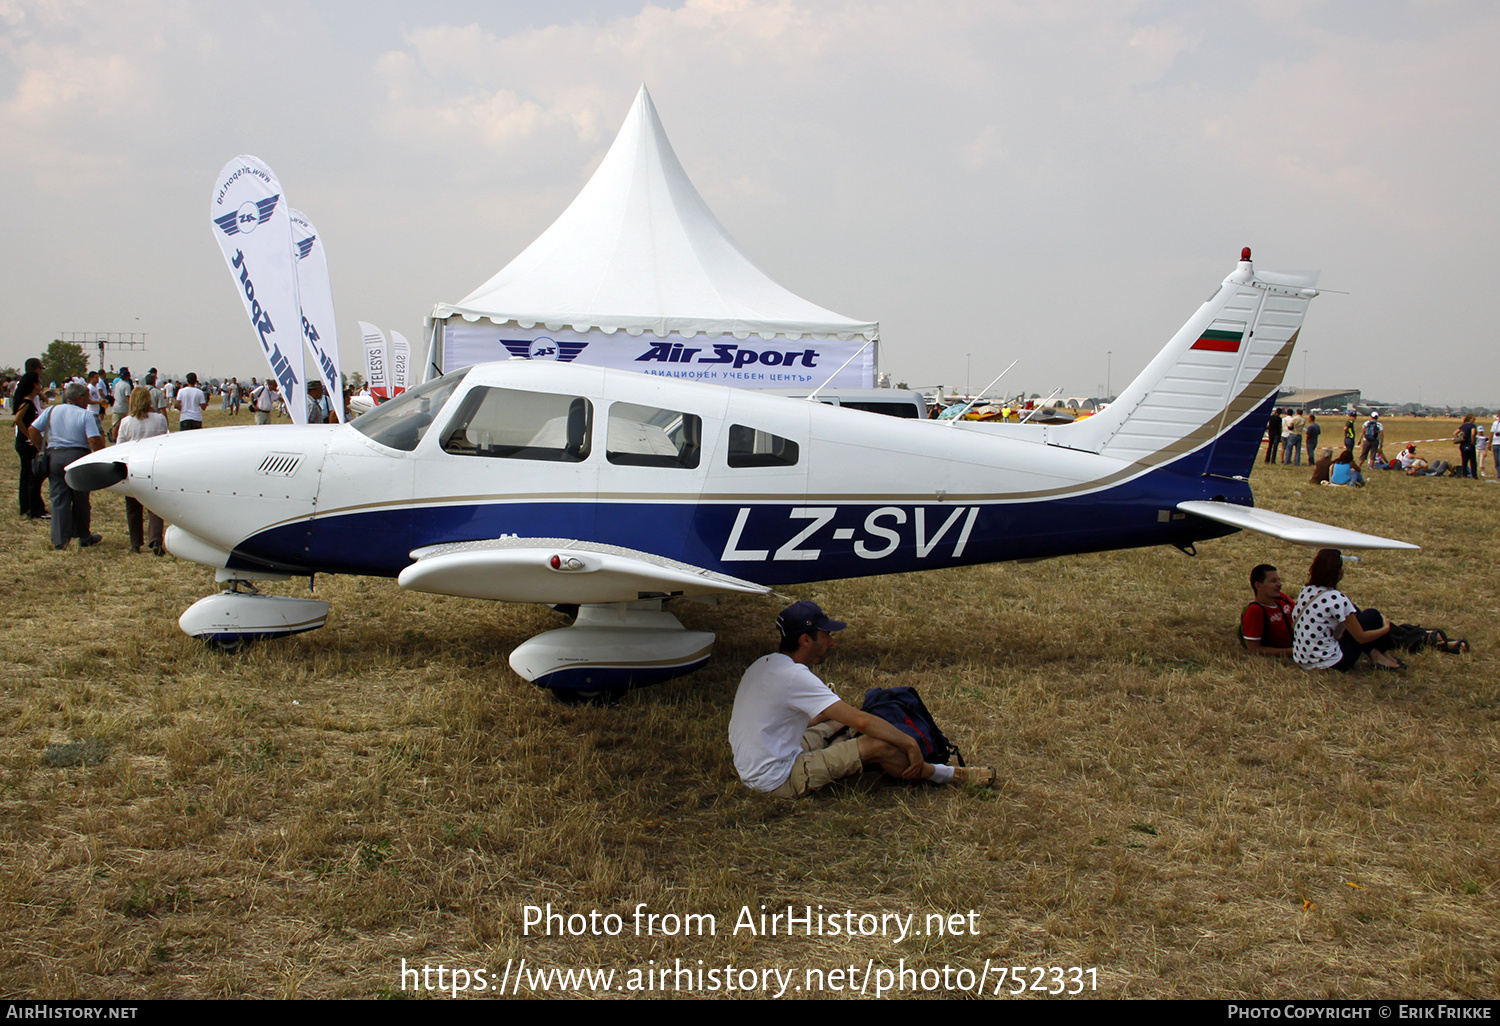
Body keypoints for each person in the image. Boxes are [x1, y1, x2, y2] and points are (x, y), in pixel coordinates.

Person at [729, 601, 996, 797]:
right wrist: (909, 743)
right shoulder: (795, 677)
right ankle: (942, 773)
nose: (832, 642)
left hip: (758, 762)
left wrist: (835, 722)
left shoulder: (763, 665)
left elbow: (789, 722)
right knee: (878, 743)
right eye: (827, 635)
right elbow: (861, 720)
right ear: (805, 640)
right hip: (777, 779)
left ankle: (847, 743)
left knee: (836, 722)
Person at [1292, 549, 1402, 671]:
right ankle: (1382, 656)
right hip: (1332, 662)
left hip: (1303, 659)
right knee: (1372, 615)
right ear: (1338, 572)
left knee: (1354, 610)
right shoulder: (1337, 599)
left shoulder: (1306, 590)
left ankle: (1378, 655)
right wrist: (1385, 629)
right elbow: (1362, 637)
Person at [26, 382, 104, 549]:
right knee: (80, 498)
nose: (88, 400)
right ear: (79, 397)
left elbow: (33, 430)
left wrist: (44, 448)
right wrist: (101, 455)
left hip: (55, 455)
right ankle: (83, 535)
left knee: (58, 498)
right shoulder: (85, 415)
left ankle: (60, 540)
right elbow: (93, 439)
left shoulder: (52, 410)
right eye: (86, 397)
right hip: (77, 456)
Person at [115, 386, 168, 554]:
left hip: (132, 466)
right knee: (155, 506)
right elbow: (165, 440)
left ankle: (135, 543)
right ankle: (156, 539)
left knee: (133, 508)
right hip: (153, 465)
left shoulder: (126, 422)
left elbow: (120, 446)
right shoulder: (159, 419)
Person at [12, 373, 48, 520]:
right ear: (34, 384)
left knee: (28, 476)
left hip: (26, 443)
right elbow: (17, 419)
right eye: (39, 383)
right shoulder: (27, 402)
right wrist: (29, 436)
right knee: (32, 477)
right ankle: (33, 507)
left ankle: (27, 505)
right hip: (26, 444)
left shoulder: (31, 401)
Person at [1242, 564, 1294, 658]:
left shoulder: (1281, 598)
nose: (1280, 584)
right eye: (1273, 581)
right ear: (1258, 586)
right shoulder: (1255, 611)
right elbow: (1254, 649)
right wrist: (1292, 652)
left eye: (1279, 579)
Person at [1453, 414, 1478, 479]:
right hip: (1470, 445)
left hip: (1463, 445)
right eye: (1474, 418)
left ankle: (1464, 474)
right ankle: (1474, 475)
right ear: (1471, 419)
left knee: (1464, 461)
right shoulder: (1473, 426)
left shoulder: (1463, 426)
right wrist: (1473, 441)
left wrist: (1460, 437)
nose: (1474, 420)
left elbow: (1455, 433)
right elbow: (1473, 434)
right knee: (1473, 461)